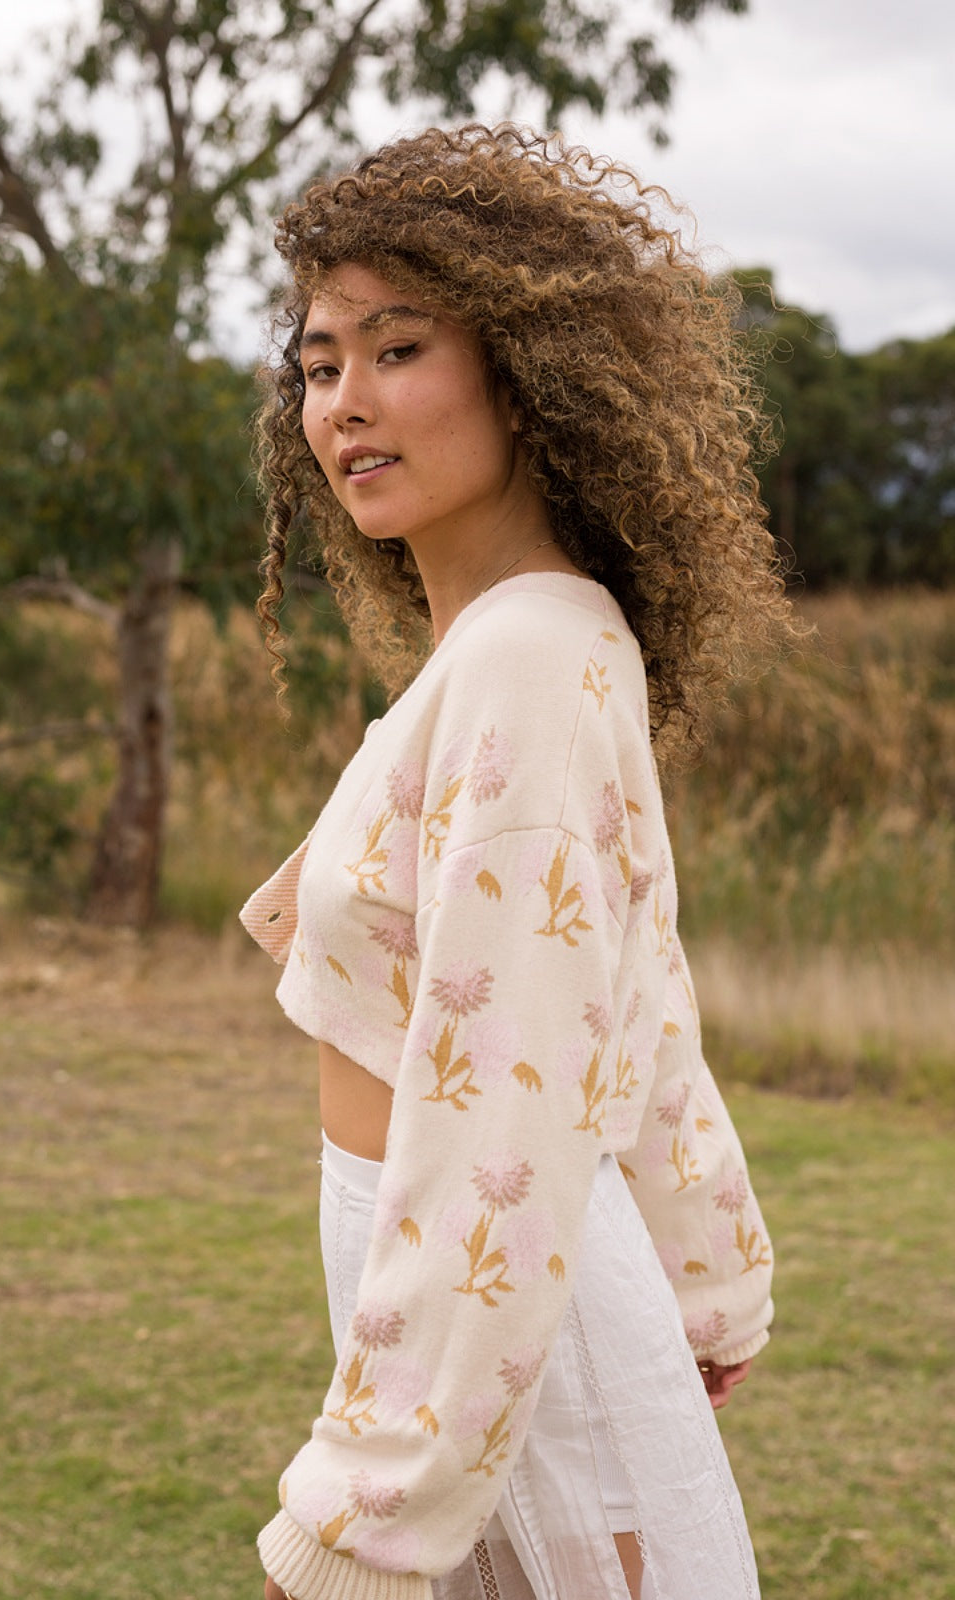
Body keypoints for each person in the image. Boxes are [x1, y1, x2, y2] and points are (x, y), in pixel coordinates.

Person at [240, 123, 790, 1600]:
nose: (345, 402)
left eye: (397, 348)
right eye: (319, 365)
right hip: (492, 1316)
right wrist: (706, 1265)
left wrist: (361, 1519)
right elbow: (630, 990)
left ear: (526, 373)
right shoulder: (526, 640)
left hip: (497, 1327)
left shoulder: (529, 658)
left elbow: (503, 1108)